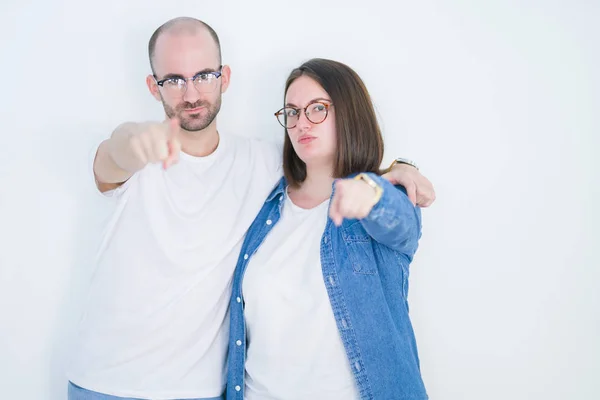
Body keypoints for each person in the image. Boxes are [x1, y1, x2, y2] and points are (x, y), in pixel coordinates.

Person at [67, 17, 435, 400]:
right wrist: (132, 138)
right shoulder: (261, 191)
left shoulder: (264, 164)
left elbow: (394, 217)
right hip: (107, 384)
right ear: (152, 85)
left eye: (204, 75)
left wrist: (389, 180)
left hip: (200, 391)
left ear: (224, 77)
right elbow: (115, 155)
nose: (190, 92)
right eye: (173, 80)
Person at [226, 58, 429, 400]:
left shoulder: (380, 196)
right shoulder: (267, 208)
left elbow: (402, 224)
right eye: (292, 112)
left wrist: (372, 192)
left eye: (317, 108)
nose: (302, 122)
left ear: (349, 112)